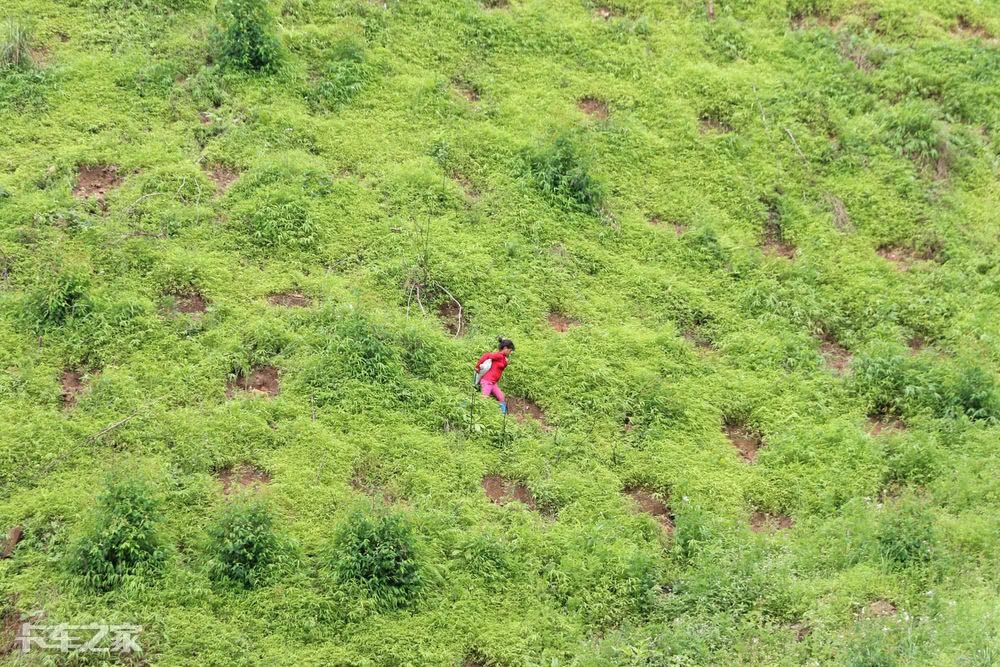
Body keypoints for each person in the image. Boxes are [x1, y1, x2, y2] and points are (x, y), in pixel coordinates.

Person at [475, 337, 515, 414]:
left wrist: (506, 362)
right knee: (484, 399)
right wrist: (477, 366)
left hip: (493, 383)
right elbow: (486, 356)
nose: (510, 353)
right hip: (487, 381)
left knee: (502, 397)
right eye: (510, 351)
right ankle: (477, 412)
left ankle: (503, 416)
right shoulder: (499, 355)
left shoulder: (504, 358)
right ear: (505, 348)